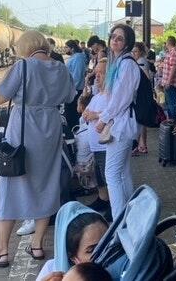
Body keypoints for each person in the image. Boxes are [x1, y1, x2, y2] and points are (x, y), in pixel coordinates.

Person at [0, 30, 74, 268]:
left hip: (24, 128)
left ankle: (1, 251)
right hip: (51, 128)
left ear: (25, 47)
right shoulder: (61, 68)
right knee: (46, 183)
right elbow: (70, 96)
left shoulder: (23, 66)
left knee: (11, 183)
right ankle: (38, 245)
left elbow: (0, 97)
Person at [94, 24, 140, 220]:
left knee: (112, 174)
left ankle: (118, 219)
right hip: (122, 123)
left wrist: (103, 119)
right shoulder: (120, 62)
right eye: (113, 36)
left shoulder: (126, 64)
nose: (115, 40)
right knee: (122, 172)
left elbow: (121, 98)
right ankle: (130, 213)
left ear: (127, 42)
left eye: (120, 38)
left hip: (121, 125)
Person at [37, 202, 109, 281]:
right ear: (73, 257)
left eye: (108, 243)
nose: (106, 252)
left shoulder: (123, 270)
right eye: (92, 250)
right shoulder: (51, 272)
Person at [81, 60, 111, 217]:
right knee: (99, 175)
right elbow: (84, 110)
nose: (97, 77)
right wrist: (87, 114)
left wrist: (94, 115)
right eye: (96, 73)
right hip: (96, 145)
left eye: (101, 73)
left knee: (108, 176)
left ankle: (113, 204)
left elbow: (115, 112)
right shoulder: (97, 95)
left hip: (105, 144)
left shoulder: (112, 95)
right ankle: (102, 198)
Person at [131, 43, 150, 156]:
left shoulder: (141, 62)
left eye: (136, 51)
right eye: (132, 51)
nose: (134, 54)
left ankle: (140, 145)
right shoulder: (140, 61)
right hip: (141, 95)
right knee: (141, 121)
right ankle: (141, 145)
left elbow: (145, 78)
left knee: (140, 120)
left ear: (141, 52)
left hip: (140, 95)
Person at [65, 40, 88, 129]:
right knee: (70, 113)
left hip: (75, 90)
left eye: (67, 47)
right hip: (72, 89)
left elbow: (77, 76)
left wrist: (72, 91)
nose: (65, 49)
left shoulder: (78, 58)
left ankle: (73, 131)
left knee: (72, 114)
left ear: (72, 48)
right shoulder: (75, 57)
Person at [161, 36, 176, 121]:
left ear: (168, 43)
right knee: (169, 103)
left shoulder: (174, 52)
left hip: (171, 83)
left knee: (171, 104)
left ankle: (172, 122)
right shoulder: (172, 52)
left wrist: (168, 82)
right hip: (169, 82)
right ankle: (171, 121)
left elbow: (173, 67)